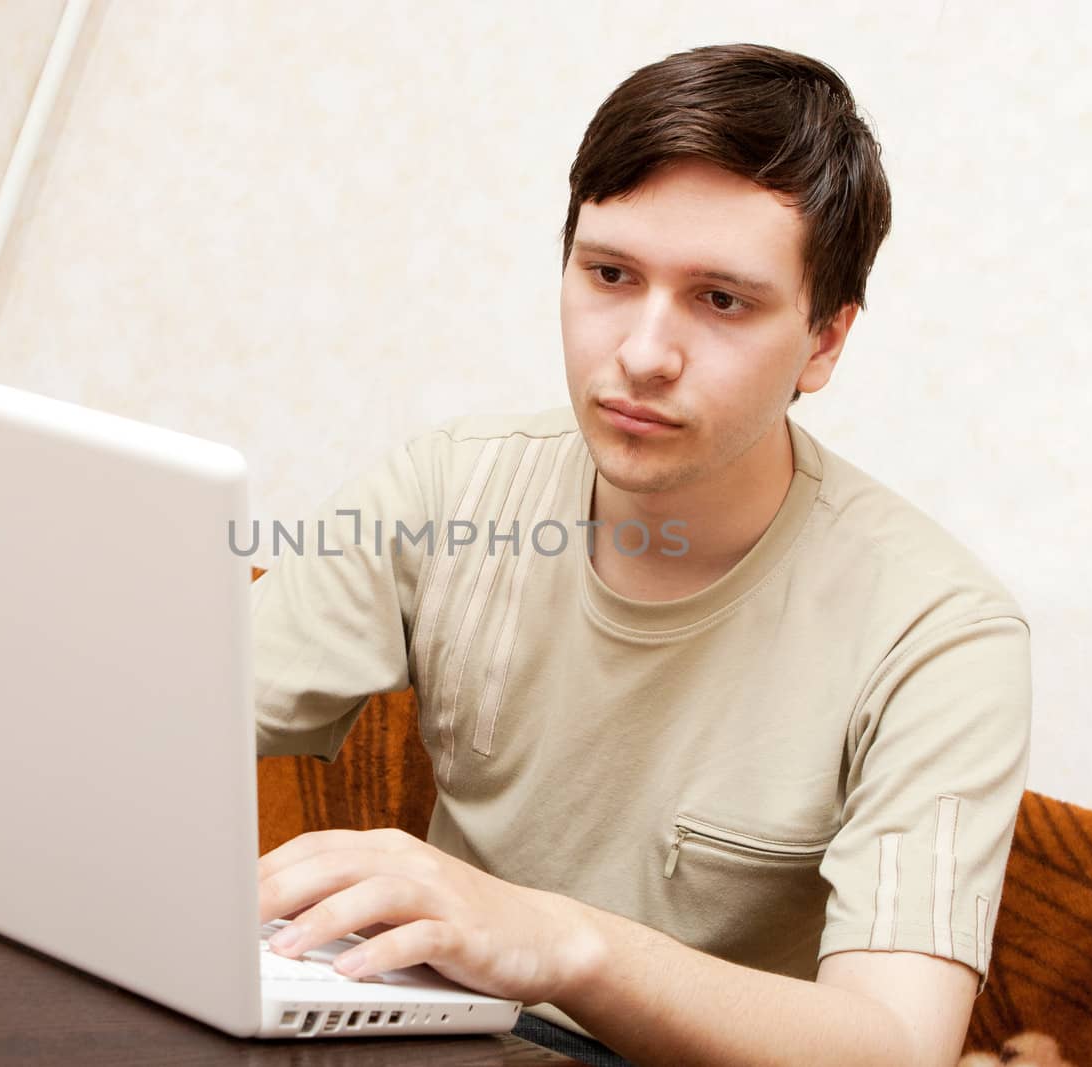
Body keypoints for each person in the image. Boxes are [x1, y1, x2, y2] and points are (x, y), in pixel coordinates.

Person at [249, 42, 1031, 1067]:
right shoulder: (451, 487)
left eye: (721, 301)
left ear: (825, 340)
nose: (643, 352)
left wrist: (564, 944)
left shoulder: (940, 631)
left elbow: (893, 1043)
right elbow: (156, 730)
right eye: (610, 274)